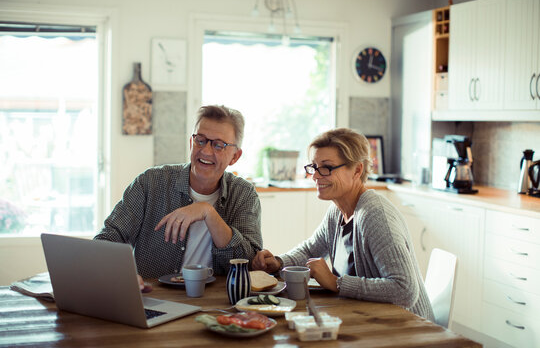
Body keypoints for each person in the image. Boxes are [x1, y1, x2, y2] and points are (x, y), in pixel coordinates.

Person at [251, 128, 434, 322]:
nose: (315, 176)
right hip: (370, 320)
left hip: (410, 328)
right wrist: (278, 262)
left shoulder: (375, 215)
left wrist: (336, 283)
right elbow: (310, 250)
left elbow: (405, 291)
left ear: (357, 170)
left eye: (326, 168)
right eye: (314, 167)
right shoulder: (337, 211)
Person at [95, 105, 262, 291]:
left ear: (235, 157)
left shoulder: (243, 194)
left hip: (218, 304)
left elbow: (250, 262)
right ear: (191, 143)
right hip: (154, 298)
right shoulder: (150, 183)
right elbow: (107, 239)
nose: (206, 151)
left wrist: (208, 213)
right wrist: (121, 273)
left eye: (218, 145)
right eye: (201, 140)